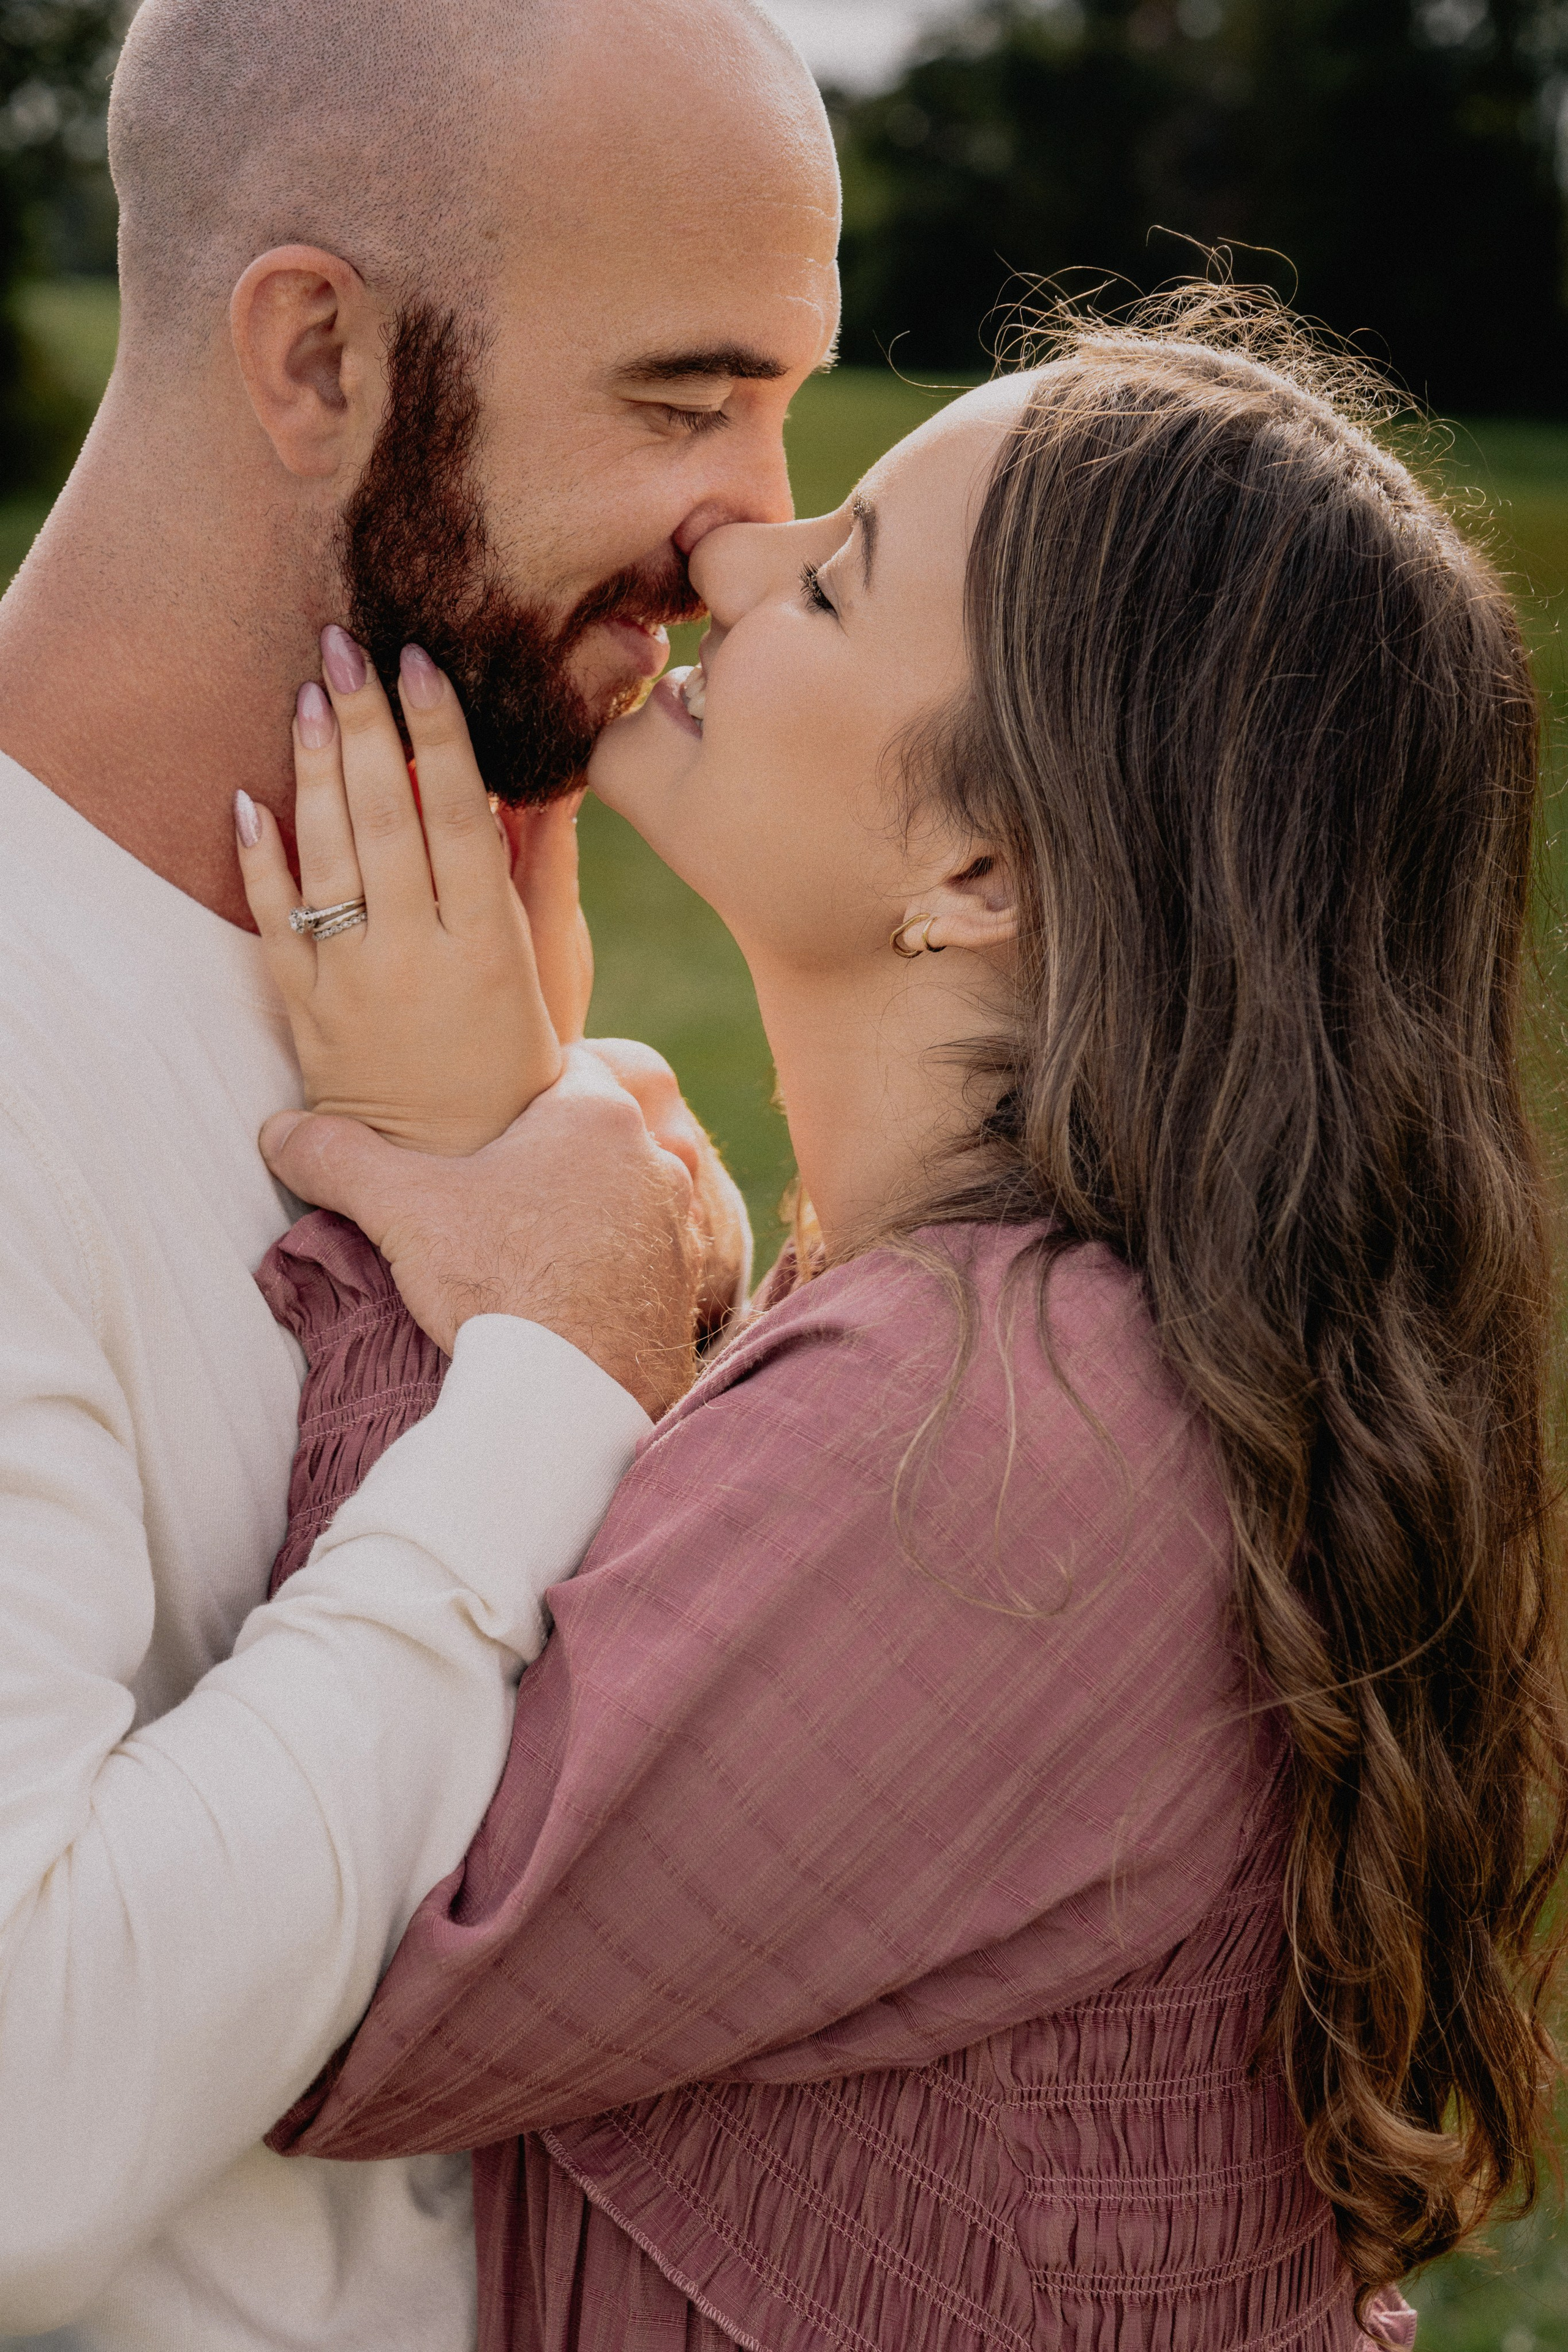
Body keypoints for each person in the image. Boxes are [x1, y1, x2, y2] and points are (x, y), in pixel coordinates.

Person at [226, 296, 1568, 2348]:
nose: (730, 557)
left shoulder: (1000, 1432)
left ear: (981, 863)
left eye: (834, 575)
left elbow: (325, 1977)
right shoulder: (1062, 1353)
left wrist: (441, 1168)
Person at [0, 1, 838, 2344]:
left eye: (789, 397)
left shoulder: (484, 990)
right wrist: (554, 1379)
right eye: (682, 402)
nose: (755, 534)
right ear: (314, 361)